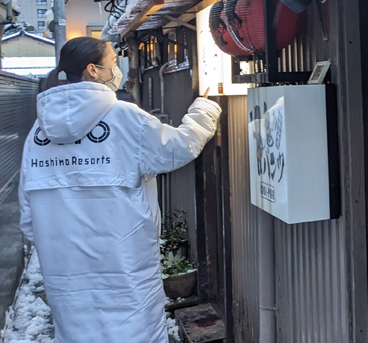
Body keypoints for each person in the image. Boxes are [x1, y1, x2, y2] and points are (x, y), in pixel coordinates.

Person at [18, 37, 221, 343]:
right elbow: (177, 148)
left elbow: (28, 216)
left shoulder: (38, 133)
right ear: (93, 70)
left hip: (66, 275)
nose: (118, 68)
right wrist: (205, 109)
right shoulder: (124, 118)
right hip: (126, 265)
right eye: (113, 62)